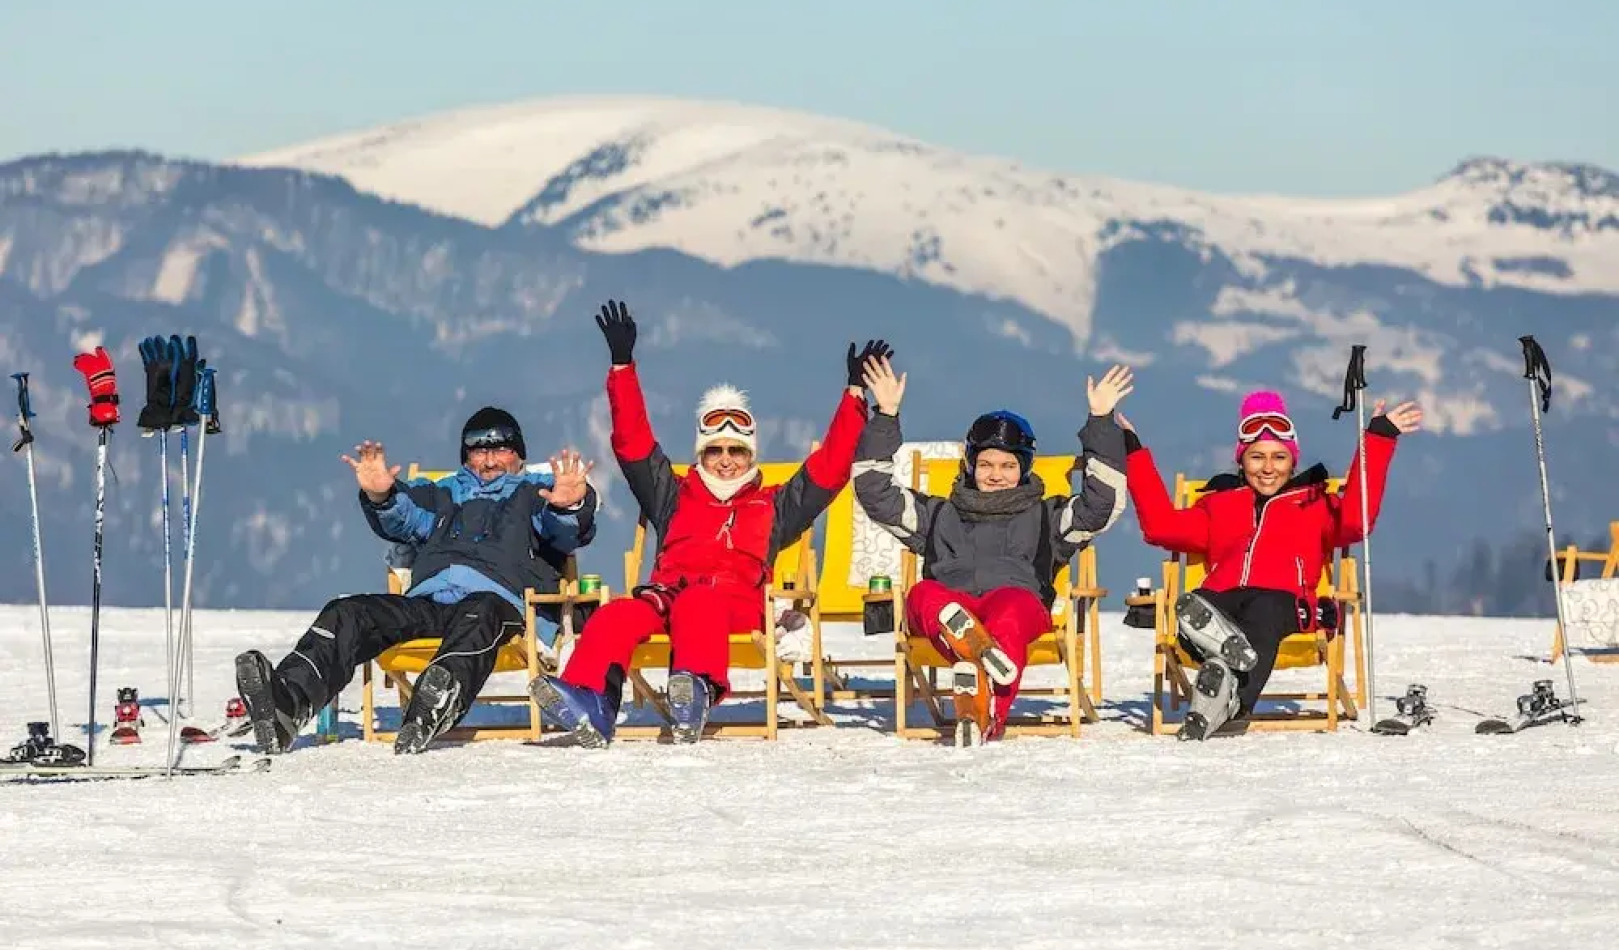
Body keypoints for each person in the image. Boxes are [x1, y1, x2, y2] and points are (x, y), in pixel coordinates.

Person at [529, 299, 879, 746]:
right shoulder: (673, 493)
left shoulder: (772, 505)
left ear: (751, 455)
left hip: (732, 603)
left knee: (700, 602)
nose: (726, 461)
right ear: (701, 454)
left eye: (737, 451)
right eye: (716, 451)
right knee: (616, 614)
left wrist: (853, 397)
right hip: (664, 597)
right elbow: (633, 443)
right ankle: (591, 700)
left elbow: (829, 469)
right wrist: (622, 367)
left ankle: (695, 689)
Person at [234, 407, 600, 755]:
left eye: (501, 449)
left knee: (482, 610)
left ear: (519, 455)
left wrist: (567, 506)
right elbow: (404, 518)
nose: (489, 460)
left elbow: (564, 534)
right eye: (478, 451)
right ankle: (287, 703)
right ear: (465, 456)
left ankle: (438, 697)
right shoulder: (441, 492)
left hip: (500, 602)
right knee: (348, 612)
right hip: (430, 601)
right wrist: (381, 496)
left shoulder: (536, 492)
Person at [852, 353, 1132, 745]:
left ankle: (980, 685)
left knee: (1012, 610)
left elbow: (1100, 506)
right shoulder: (939, 515)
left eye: (1007, 466)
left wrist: (1101, 422)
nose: (995, 474)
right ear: (970, 465)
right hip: (951, 605)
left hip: (1014, 603)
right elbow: (874, 493)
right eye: (985, 464)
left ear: (1024, 469)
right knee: (924, 594)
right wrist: (885, 415)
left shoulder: (1047, 518)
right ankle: (978, 668)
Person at [1122, 388, 1423, 740]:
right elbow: (1160, 527)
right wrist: (1132, 451)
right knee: (1199, 605)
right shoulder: (1219, 504)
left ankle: (1228, 686)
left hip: (1283, 602)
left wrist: (1378, 438)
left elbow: (1356, 521)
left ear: (1293, 461)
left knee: (1263, 610)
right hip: (1223, 599)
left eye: (1279, 457)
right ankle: (1224, 685)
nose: (1268, 469)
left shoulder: (1314, 503)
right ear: (1241, 460)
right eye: (1256, 457)